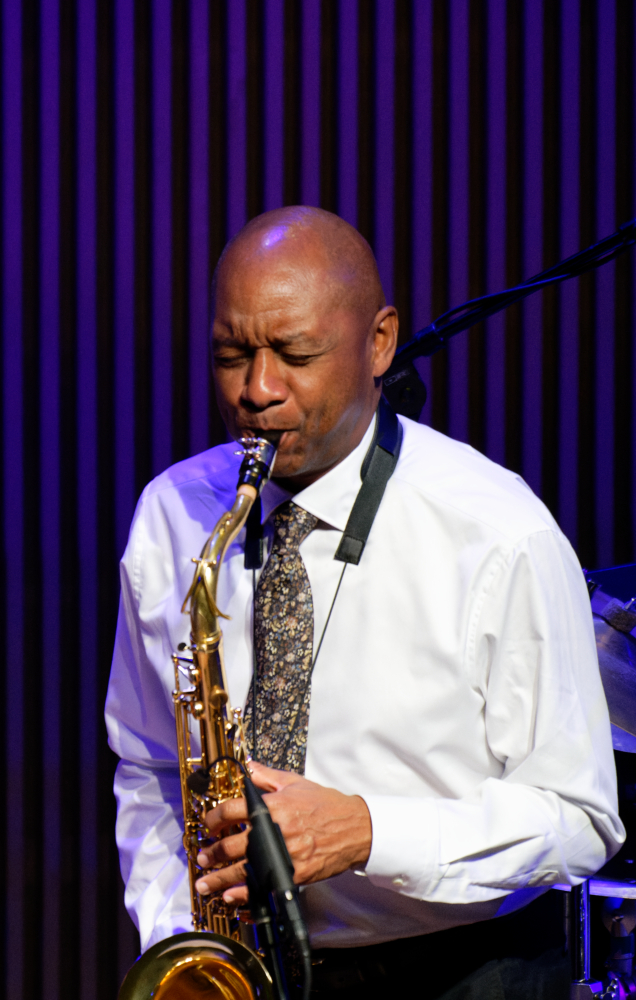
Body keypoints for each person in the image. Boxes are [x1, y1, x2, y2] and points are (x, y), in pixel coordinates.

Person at [104, 206, 622, 998]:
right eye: (230, 355)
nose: (257, 390)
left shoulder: (499, 532)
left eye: (296, 354)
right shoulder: (172, 515)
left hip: (464, 970)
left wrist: (369, 832)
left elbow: (581, 819)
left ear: (380, 342)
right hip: (256, 965)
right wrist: (188, 943)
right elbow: (146, 765)